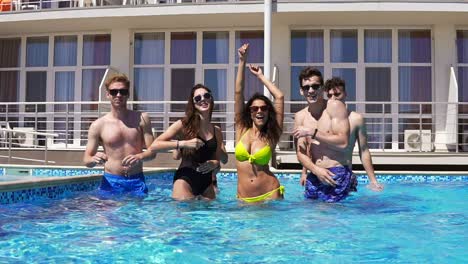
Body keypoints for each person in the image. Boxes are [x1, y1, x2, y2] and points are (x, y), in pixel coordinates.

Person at [150, 84, 228, 200]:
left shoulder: (216, 131)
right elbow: (154, 146)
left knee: (211, 217)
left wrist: (215, 163)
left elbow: (218, 161)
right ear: (193, 103)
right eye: (198, 98)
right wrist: (183, 143)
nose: (203, 99)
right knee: (186, 218)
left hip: (206, 183)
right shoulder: (183, 125)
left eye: (206, 95)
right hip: (185, 180)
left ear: (211, 99)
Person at [83, 74, 156, 195]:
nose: (118, 95)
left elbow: (152, 152)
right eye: (114, 92)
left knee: (137, 214)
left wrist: (139, 157)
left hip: (136, 181)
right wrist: (93, 159)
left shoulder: (142, 118)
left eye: (123, 91)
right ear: (107, 95)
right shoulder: (98, 125)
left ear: (128, 94)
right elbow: (86, 160)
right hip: (111, 182)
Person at [293, 68, 354, 202]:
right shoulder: (300, 117)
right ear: (301, 91)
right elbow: (300, 153)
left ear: (322, 89)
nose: (311, 91)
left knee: (331, 218)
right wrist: (315, 170)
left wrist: (313, 132)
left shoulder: (335, 107)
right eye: (306, 87)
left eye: (315, 86)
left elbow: (343, 142)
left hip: (336, 172)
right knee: (310, 217)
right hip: (315, 173)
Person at [235, 43, 284, 203]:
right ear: (249, 112)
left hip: (269, 194)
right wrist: (242, 61)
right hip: (243, 198)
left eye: (263, 108)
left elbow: (279, 97)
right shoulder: (241, 129)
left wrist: (260, 76)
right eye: (254, 108)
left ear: (268, 111)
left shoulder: (272, 134)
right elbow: (238, 92)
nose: (259, 111)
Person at [324, 77, 383, 191]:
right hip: (322, 174)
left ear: (345, 94)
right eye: (329, 95)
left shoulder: (356, 119)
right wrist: (305, 173)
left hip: (343, 173)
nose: (333, 98)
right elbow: (311, 147)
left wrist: (373, 181)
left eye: (337, 94)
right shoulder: (322, 118)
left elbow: (364, 150)